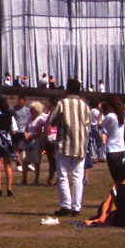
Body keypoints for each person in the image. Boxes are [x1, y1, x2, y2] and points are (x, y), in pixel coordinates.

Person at [49, 81, 92, 216]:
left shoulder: (62, 103)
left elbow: (52, 121)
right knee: (78, 177)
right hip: (80, 145)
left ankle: (66, 205)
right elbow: (88, 124)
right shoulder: (85, 106)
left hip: (65, 144)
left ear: (67, 90)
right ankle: (76, 207)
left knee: (63, 176)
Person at [79, 161, 125, 227]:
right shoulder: (117, 186)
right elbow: (108, 201)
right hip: (117, 211)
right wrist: (103, 215)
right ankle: (102, 219)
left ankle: (99, 221)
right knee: (113, 199)